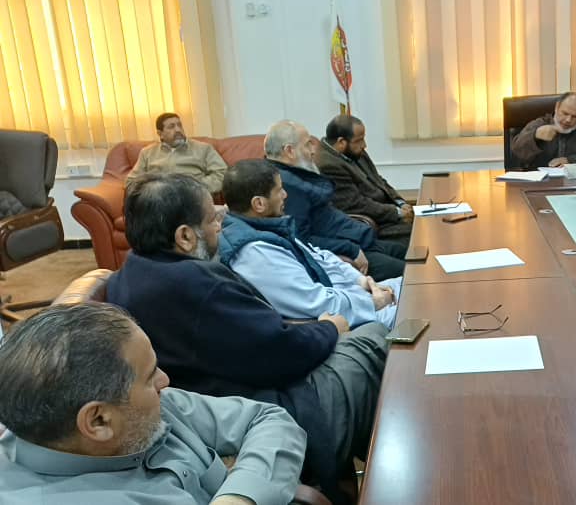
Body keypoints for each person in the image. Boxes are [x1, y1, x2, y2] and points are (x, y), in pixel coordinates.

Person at [104, 173, 389, 500]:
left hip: (216, 402)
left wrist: (317, 329)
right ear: (185, 236)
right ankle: (388, 483)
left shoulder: (129, 273)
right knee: (374, 336)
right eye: (212, 220)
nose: (220, 228)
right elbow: (282, 354)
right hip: (261, 408)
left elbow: (259, 338)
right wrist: (329, 328)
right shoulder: (196, 284)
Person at [0, 302, 307, 505]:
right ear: (98, 421)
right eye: (150, 376)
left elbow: (268, 418)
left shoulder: (136, 406)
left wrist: (241, 495)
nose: (165, 380)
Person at [220, 159, 400, 329]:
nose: (285, 195)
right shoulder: (255, 254)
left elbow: (321, 257)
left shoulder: (267, 227)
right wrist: (372, 302)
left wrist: (361, 281)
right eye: (279, 190)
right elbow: (318, 303)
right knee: (413, 310)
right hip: (341, 321)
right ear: (259, 203)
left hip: (350, 299)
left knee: (408, 285)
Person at [264, 119, 407, 281]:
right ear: (289, 151)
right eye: (308, 144)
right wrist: (350, 249)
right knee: (412, 272)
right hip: (345, 252)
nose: (314, 150)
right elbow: (302, 239)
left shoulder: (296, 175)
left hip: (359, 239)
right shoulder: (288, 186)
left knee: (414, 254)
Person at [317, 114, 413, 243]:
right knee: (420, 234)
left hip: (387, 213)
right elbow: (356, 205)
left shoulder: (354, 151)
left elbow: (379, 180)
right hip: (374, 223)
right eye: (359, 140)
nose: (364, 145)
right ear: (341, 142)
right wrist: (397, 212)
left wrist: (400, 203)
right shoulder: (328, 165)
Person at [126, 112, 227, 194]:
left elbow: (222, 173)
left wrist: (197, 187)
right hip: (159, 199)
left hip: (193, 198)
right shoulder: (147, 153)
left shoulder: (203, 148)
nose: (178, 129)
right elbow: (131, 182)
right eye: (171, 127)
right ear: (160, 134)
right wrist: (153, 190)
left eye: (179, 125)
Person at [511, 91, 576, 169]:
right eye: (565, 113)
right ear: (557, 107)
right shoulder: (539, 124)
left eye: (574, 116)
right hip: (540, 184)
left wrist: (571, 160)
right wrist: (535, 136)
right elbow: (516, 152)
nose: (568, 120)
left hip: (574, 183)